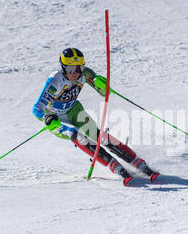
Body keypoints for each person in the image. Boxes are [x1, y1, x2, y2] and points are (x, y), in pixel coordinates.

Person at [32, 47, 159, 186]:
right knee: (78, 135)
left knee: (99, 136)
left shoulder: (85, 74)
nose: (74, 73)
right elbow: (37, 109)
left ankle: (138, 163)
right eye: (69, 69)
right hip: (56, 120)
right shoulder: (55, 81)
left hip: (73, 110)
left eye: (78, 68)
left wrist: (103, 85)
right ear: (63, 68)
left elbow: (104, 93)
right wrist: (47, 118)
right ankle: (114, 166)